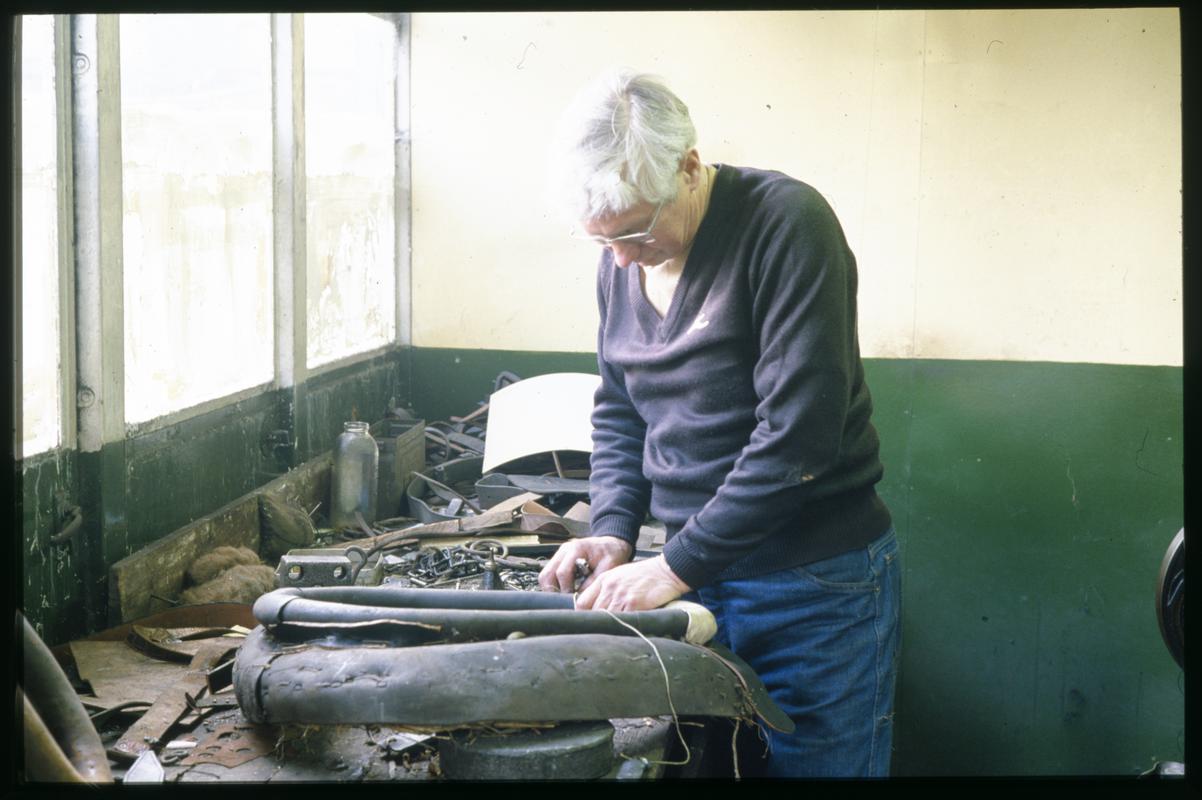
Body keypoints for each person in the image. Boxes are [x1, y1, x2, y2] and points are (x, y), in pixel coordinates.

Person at [538, 68, 901, 778]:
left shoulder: (787, 224)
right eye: (601, 242)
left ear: (689, 166)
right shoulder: (623, 257)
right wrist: (613, 528)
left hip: (811, 585)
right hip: (695, 576)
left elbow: (798, 438)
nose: (621, 258)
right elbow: (620, 408)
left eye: (634, 231)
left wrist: (673, 566)